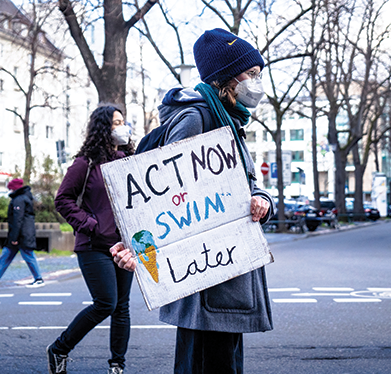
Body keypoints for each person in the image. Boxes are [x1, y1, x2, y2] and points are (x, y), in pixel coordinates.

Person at [111, 28, 274, 374]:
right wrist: (138, 244)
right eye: (252, 74)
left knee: (220, 361)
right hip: (205, 278)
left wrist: (262, 201)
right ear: (227, 79)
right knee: (207, 363)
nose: (257, 82)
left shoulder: (229, 120)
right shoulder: (197, 118)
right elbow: (162, 195)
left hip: (225, 271)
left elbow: (248, 184)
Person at [46, 105, 135, 374]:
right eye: (114, 123)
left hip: (124, 246)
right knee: (106, 303)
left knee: (122, 307)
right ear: (101, 129)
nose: (121, 127)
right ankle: (59, 348)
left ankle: (117, 364)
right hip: (94, 245)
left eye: (122, 122)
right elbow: (62, 199)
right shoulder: (85, 164)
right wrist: (89, 224)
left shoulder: (128, 161)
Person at [0, 178, 44, 288]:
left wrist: (14, 238)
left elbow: (17, 220)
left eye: (10, 189)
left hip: (22, 234)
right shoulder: (24, 198)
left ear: (14, 189)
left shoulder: (19, 200)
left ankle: (38, 279)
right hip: (22, 233)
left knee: (27, 255)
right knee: (6, 255)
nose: (9, 191)